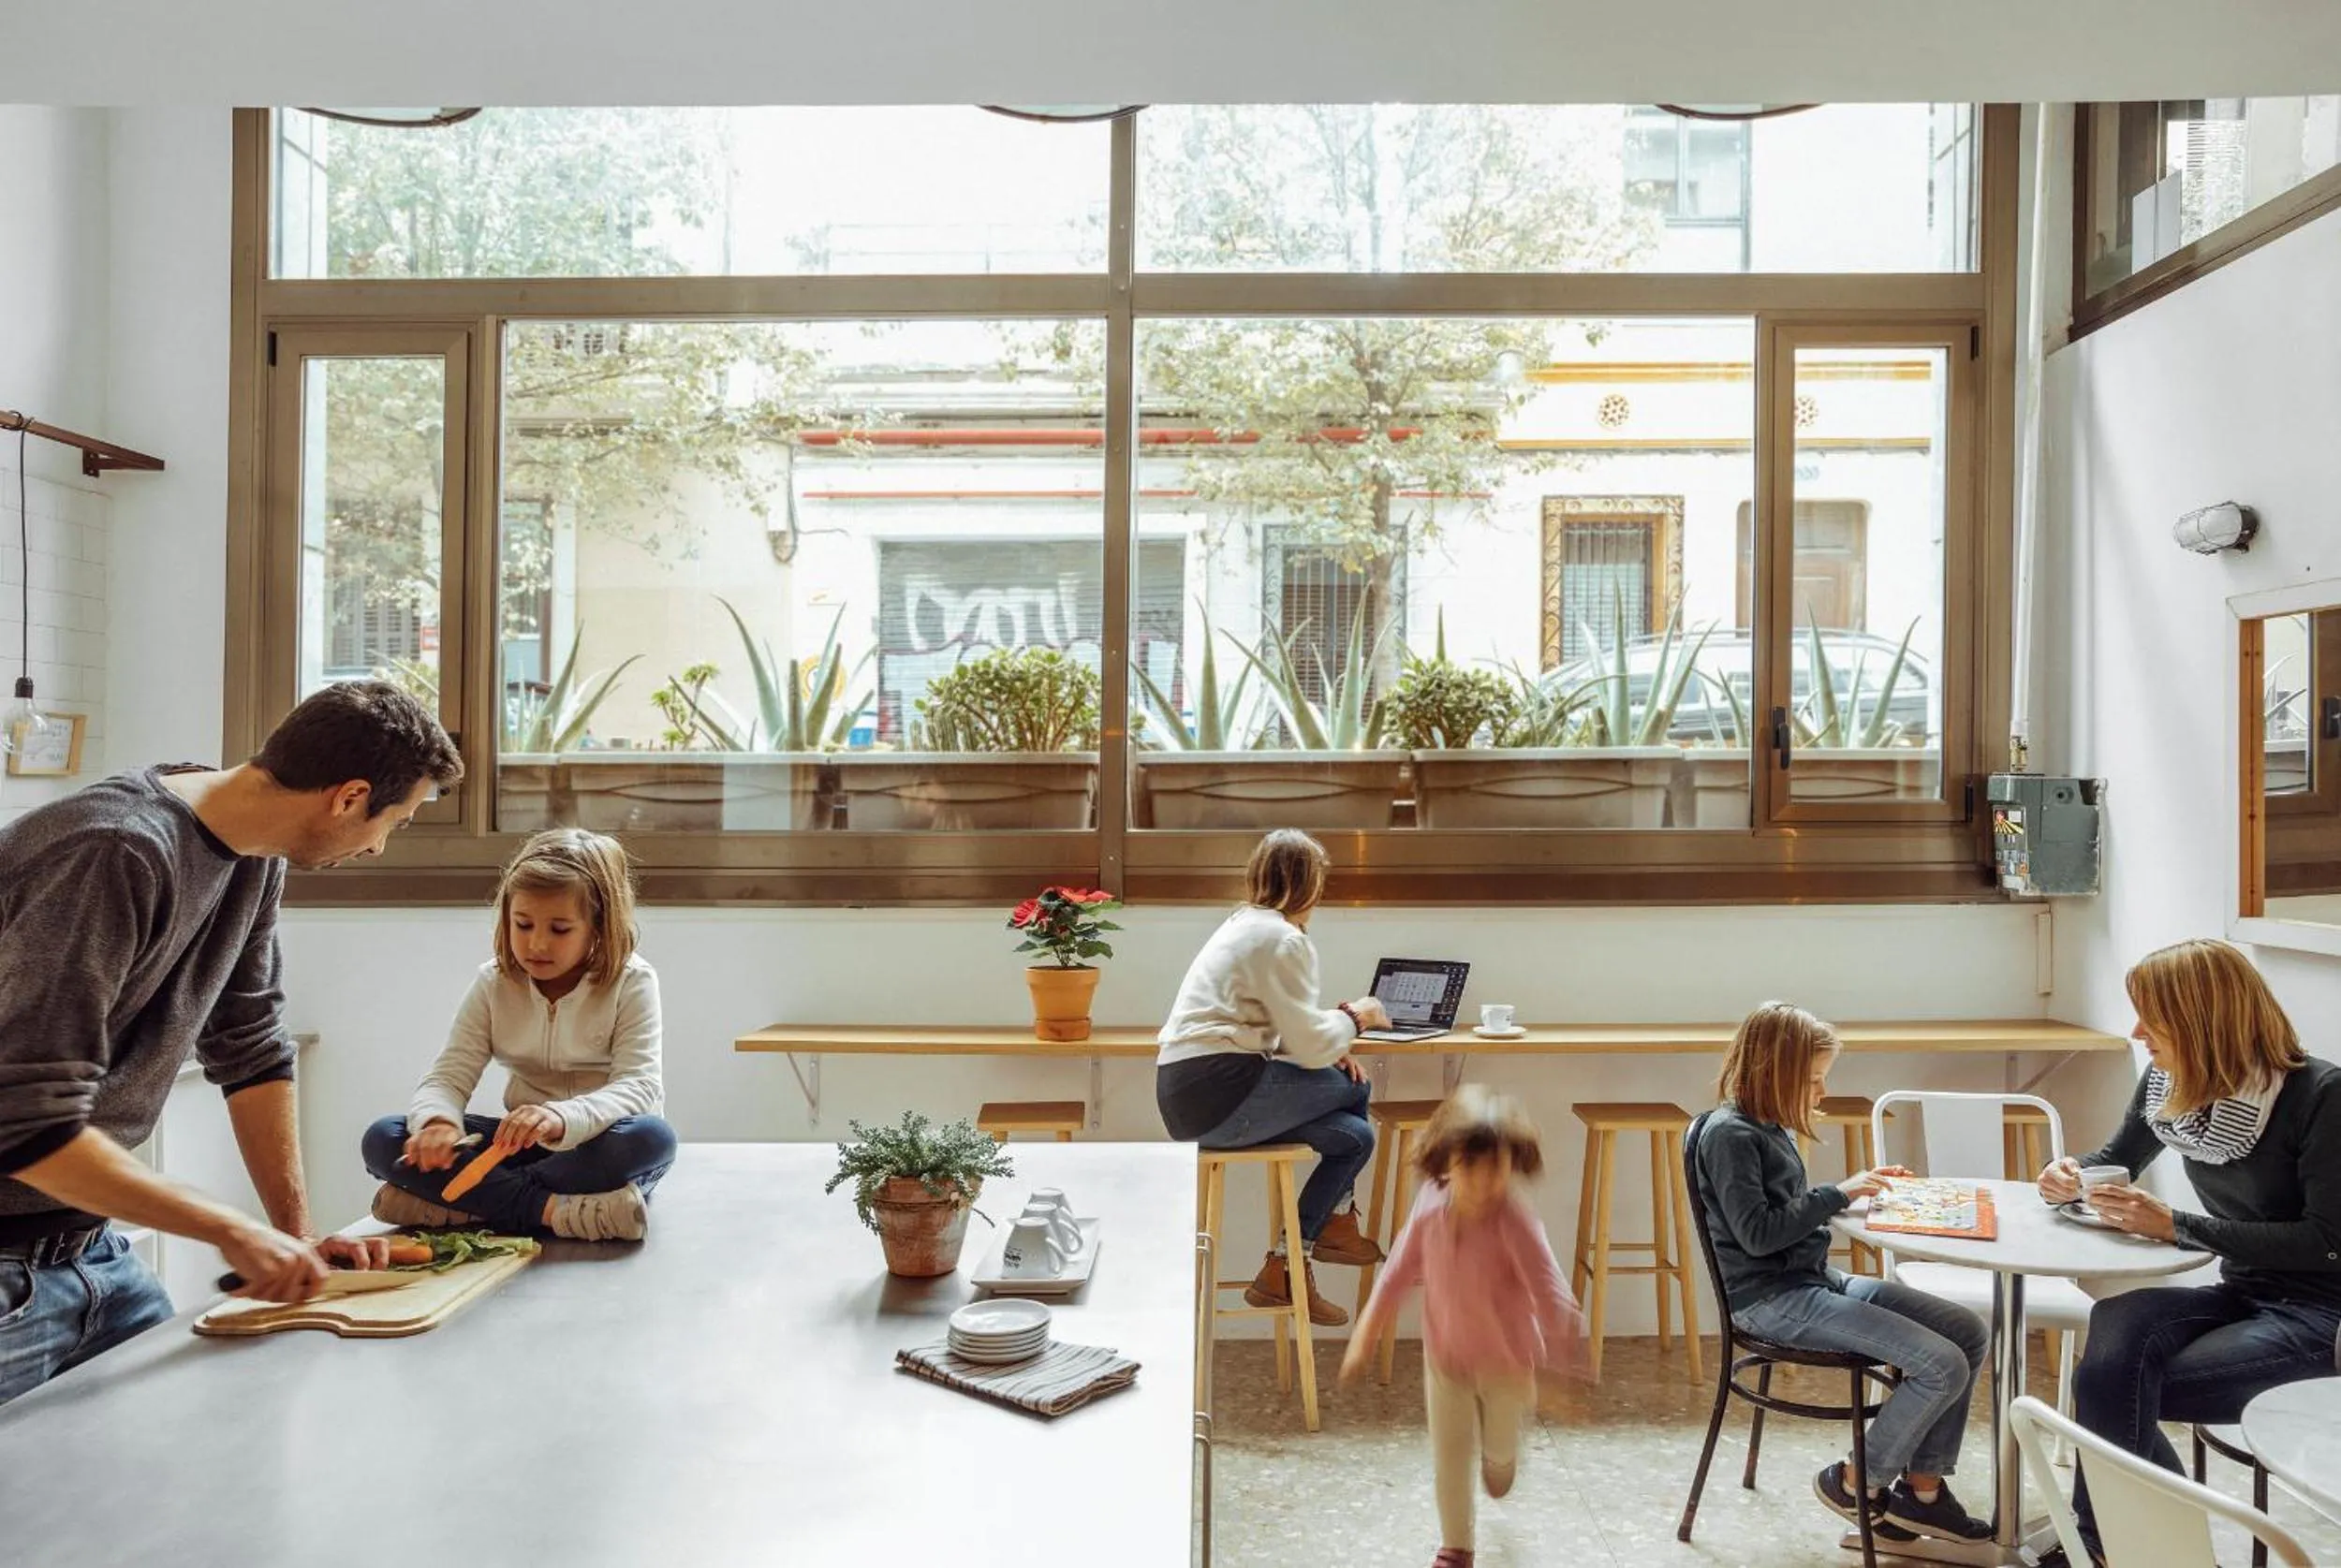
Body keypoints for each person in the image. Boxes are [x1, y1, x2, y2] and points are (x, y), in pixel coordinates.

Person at [0, 681, 464, 1406]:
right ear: (347, 797)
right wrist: (234, 1231)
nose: (378, 847)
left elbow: (249, 1043)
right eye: (393, 824)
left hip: (87, 1251)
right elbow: (27, 1121)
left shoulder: (256, 853)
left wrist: (298, 1236)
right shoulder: (114, 851)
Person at [2030, 939, 2341, 1568]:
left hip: (2322, 1317)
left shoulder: (2319, 1095)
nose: (2138, 1031)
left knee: (2112, 1388)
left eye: (2152, 1016)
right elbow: (2114, 1161)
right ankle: (2138, 1549)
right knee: (2116, 1326)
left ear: (2204, 1018)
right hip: (2243, 1292)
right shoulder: (2169, 1082)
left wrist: (2177, 1225)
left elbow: (2327, 1242)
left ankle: (2110, 1547)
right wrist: (2066, 1175)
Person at [1694, 1001, 1994, 1546]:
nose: (1821, 1093)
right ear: (1774, 1073)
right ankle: (1856, 1481)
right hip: (1770, 1299)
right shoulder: (1730, 1135)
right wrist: (1838, 1192)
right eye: (1812, 1081)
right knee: (1942, 1366)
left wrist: (1853, 1195)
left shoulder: (1767, 1126)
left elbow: (1784, 1212)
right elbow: (1758, 1234)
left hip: (1812, 1281)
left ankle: (1922, 1493)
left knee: (1967, 1331)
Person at [361, 828, 677, 1242]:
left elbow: (638, 1085)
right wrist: (438, 1123)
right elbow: (449, 1076)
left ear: (600, 926)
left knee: (652, 1139)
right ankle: (556, 1212)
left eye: (560, 929)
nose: (537, 944)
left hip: (595, 1142)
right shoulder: (494, 981)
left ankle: (465, 1206)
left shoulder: (632, 981)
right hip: (521, 1146)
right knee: (385, 1137)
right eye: (523, 924)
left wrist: (560, 1117)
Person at [1342, 1085, 1586, 1568]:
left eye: (1494, 1168)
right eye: (1469, 1167)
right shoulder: (1431, 1208)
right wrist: (1365, 1334)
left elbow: (1549, 1290)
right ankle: (1456, 1548)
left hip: (1508, 1365)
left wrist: (1569, 1365)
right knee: (1449, 1459)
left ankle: (1501, 1457)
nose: (1481, 1182)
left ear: (1510, 1165)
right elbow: (1396, 1274)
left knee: (1495, 1448)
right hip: (1446, 1361)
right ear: (1445, 1164)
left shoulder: (1513, 1221)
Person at [1156, 828, 1391, 1325]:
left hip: (1189, 1097)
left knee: (1354, 1137)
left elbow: (1274, 1027)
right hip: (1222, 1091)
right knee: (1359, 1087)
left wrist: (1330, 1043)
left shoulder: (1243, 925)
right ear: (1313, 884)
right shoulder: (1282, 938)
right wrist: (1359, 1014)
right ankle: (1333, 1225)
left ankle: (1286, 1266)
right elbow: (1307, 1041)